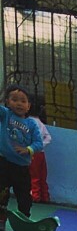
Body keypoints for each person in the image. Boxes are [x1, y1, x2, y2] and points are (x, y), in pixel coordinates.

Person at [0, 83, 40, 217]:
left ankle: (24, 217)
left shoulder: (32, 124)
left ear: (28, 106)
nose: (19, 104)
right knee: (2, 192)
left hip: (21, 167)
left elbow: (38, 143)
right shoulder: (6, 115)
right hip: (4, 162)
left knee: (24, 195)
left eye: (23, 101)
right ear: (7, 102)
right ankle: (1, 217)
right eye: (14, 100)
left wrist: (28, 149)